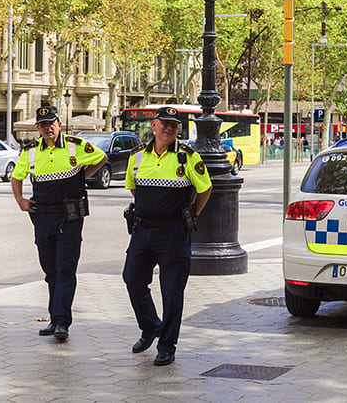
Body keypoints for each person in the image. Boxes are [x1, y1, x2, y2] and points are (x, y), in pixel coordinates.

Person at [122, 106, 212, 366]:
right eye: (165, 123)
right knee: (132, 280)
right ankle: (150, 327)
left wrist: (192, 214)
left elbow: (205, 188)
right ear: (154, 125)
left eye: (174, 124)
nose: (169, 127)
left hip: (173, 233)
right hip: (143, 231)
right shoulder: (137, 156)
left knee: (172, 292)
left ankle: (167, 346)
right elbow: (133, 188)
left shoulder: (188, 157)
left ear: (178, 129)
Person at [11, 105, 107, 341]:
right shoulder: (30, 151)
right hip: (42, 217)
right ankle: (55, 318)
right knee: (50, 271)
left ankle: (62, 322)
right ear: (38, 128)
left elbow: (102, 158)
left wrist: (81, 177)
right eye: (43, 125)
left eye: (51, 123)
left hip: (70, 217)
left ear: (59, 124)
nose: (47, 128)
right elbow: (16, 177)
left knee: (65, 269)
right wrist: (21, 201)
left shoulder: (75, 146)